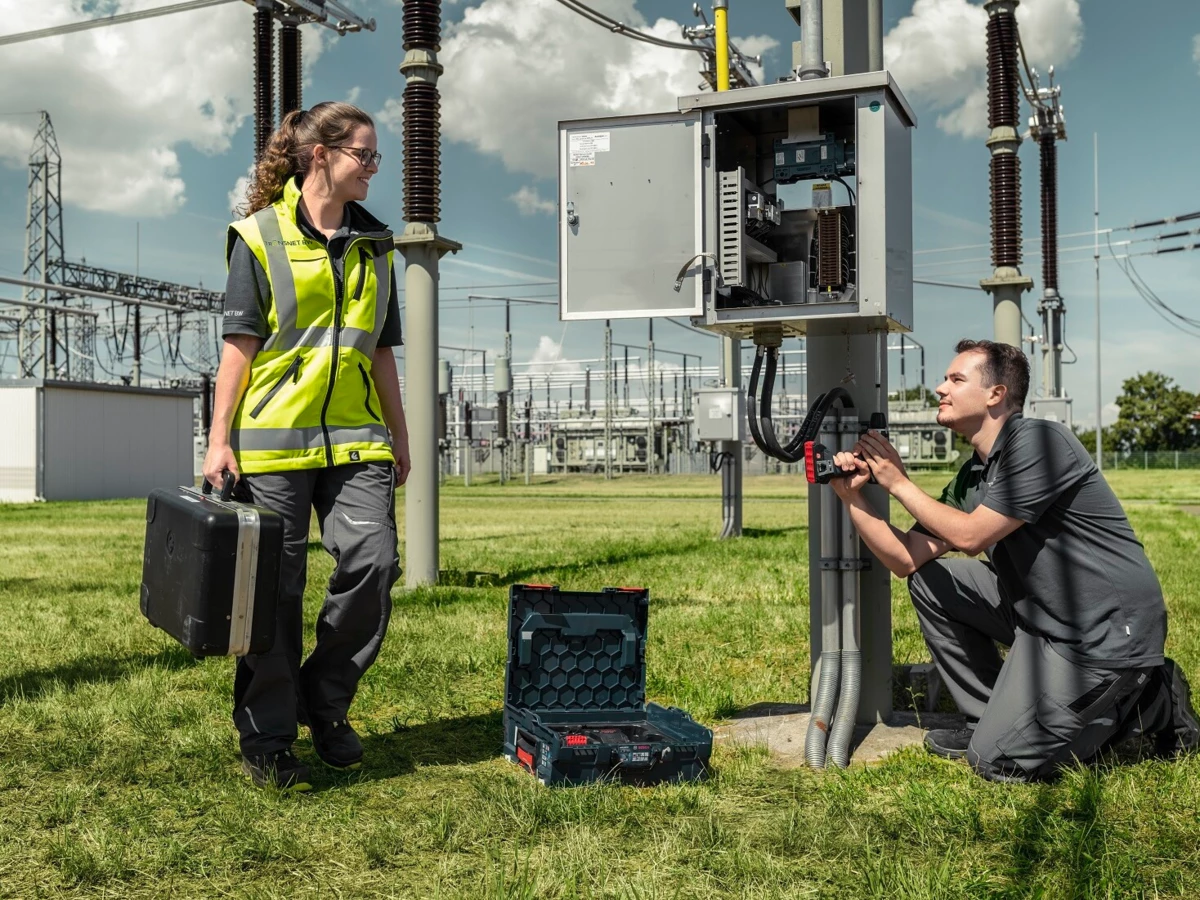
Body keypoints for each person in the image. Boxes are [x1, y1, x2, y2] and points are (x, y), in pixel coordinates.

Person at [829, 338, 1198, 783]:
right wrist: (853, 500)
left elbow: (970, 537)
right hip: (1042, 619)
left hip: (1101, 634)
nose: (940, 388)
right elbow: (908, 560)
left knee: (999, 763)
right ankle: (984, 718)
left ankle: (1152, 699)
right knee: (932, 580)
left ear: (996, 394)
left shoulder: (1038, 441)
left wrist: (897, 483)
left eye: (956, 379)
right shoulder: (975, 474)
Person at [203, 102, 410, 791]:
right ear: (321, 155)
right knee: (274, 596)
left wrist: (400, 438)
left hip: (356, 442)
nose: (374, 168)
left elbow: (381, 353)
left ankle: (325, 703)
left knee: (373, 565)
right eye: (365, 156)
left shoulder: (378, 246)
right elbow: (238, 351)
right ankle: (268, 735)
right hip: (273, 444)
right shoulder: (257, 238)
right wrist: (218, 442)